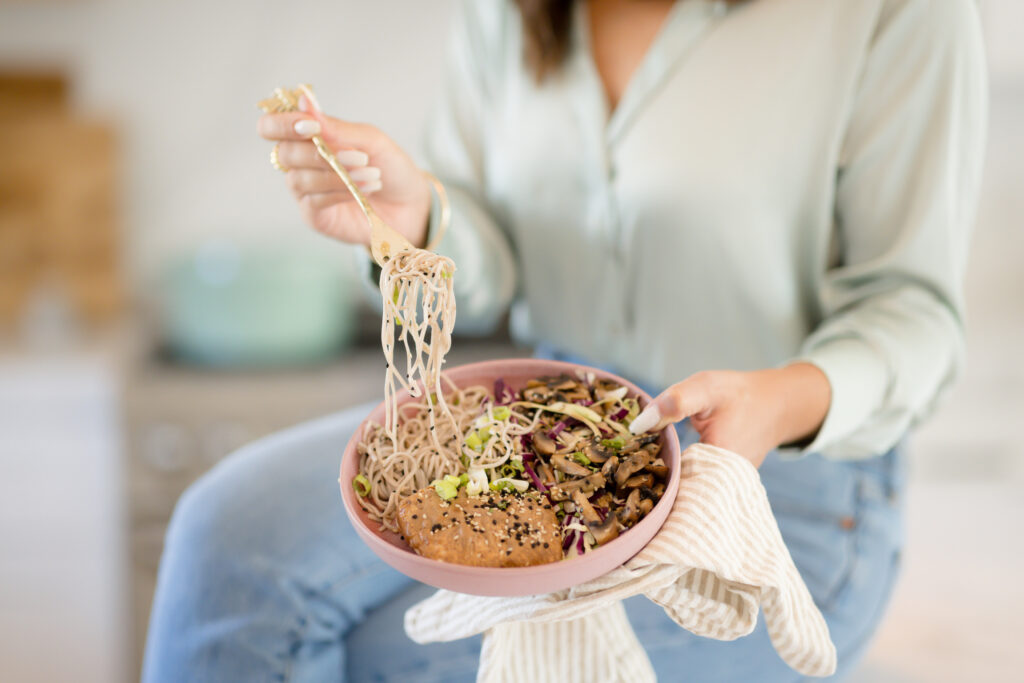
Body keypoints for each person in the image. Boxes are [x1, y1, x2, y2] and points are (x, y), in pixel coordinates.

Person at [143, 0, 986, 680]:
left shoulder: (898, 14)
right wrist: (423, 220)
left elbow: (910, 311)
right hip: (541, 430)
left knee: (379, 661)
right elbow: (499, 256)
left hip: (775, 483)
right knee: (224, 530)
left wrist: (774, 401)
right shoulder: (509, 13)